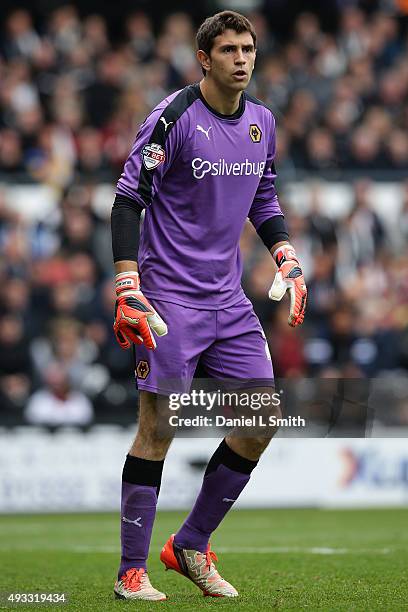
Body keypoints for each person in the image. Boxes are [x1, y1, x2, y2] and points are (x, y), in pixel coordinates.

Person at [111, 11, 307, 601]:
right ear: (204, 58)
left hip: (228, 300)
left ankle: (190, 544)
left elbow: (264, 196)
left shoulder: (262, 123)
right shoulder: (173, 117)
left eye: (248, 48)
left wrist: (285, 254)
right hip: (167, 298)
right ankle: (130, 570)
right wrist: (127, 283)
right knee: (159, 426)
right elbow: (127, 201)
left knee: (260, 422)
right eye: (229, 50)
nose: (242, 59)